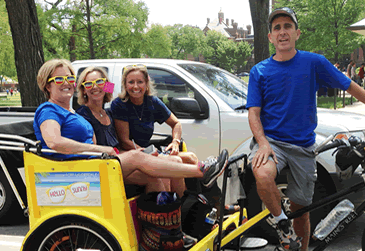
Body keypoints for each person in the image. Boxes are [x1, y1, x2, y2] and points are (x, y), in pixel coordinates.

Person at [246, 7, 365, 251]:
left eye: (287, 26)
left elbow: (350, 85)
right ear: (270, 36)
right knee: (262, 173)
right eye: (277, 27)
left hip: (304, 147)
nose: (282, 31)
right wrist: (262, 143)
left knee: (302, 210)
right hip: (273, 144)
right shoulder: (260, 71)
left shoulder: (313, 62)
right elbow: (253, 113)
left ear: (297, 33)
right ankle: (282, 226)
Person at [34, 59, 228, 198]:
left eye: (69, 79)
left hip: (98, 163)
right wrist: (101, 150)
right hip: (85, 169)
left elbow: (106, 96)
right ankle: (202, 172)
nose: (66, 83)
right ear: (47, 86)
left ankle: (175, 223)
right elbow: (54, 141)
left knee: (162, 168)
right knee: (141, 158)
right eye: (59, 80)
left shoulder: (87, 112)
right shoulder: (52, 110)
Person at [76, 66, 196, 196]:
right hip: (107, 165)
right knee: (157, 173)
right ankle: (163, 212)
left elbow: (175, 123)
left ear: (106, 87)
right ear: (83, 90)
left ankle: (182, 207)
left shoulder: (108, 113)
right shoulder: (83, 116)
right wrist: (142, 155)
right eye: (89, 84)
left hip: (122, 159)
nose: (95, 87)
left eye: (99, 83)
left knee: (177, 163)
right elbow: (97, 148)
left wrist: (175, 141)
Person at [110, 64, 197, 166]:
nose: (135, 86)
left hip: (148, 151)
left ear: (146, 83)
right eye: (131, 82)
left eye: (140, 82)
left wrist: (175, 142)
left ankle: (206, 176)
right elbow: (125, 142)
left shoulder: (152, 102)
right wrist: (148, 153)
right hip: (130, 154)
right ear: (125, 85)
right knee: (173, 163)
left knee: (191, 158)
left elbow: (176, 123)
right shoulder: (120, 104)